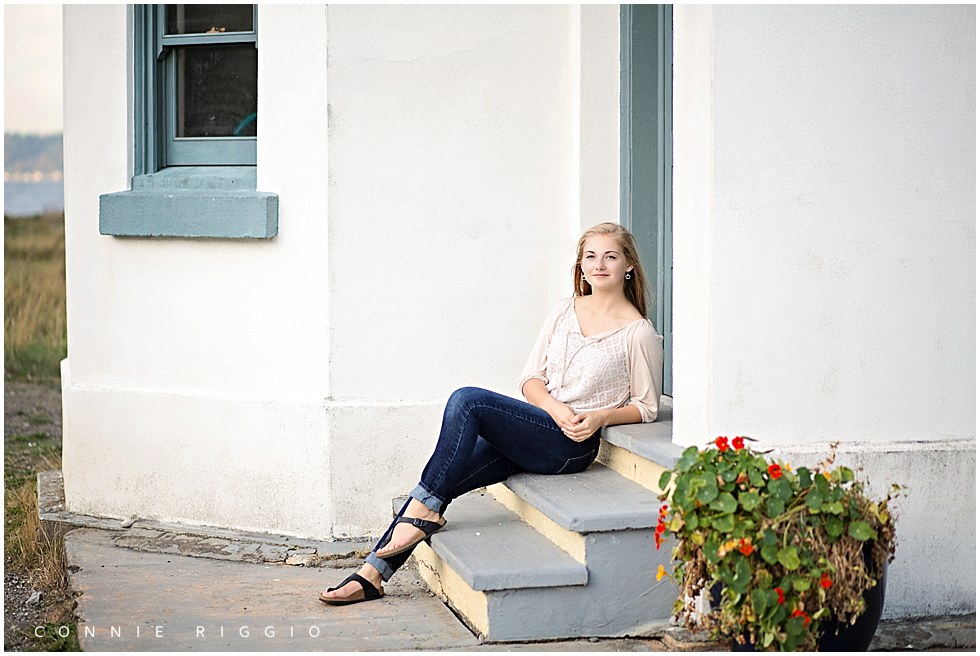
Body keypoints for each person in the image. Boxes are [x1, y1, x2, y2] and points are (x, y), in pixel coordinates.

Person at [319, 222, 664, 605]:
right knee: (440, 483)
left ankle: (413, 525)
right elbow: (531, 378)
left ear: (628, 265)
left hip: (571, 446)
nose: (599, 264)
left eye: (610, 256)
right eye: (591, 256)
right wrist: (552, 405)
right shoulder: (564, 311)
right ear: (581, 266)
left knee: (469, 401)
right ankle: (372, 575)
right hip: (541, 424)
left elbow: (646, 408)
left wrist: (599, 418)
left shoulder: (638, 333)